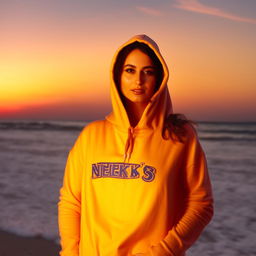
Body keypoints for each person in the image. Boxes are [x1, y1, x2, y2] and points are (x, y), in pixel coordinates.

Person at [58, 34, 214, 256]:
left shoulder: (180, 137)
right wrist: (70, 253)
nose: (138, 81)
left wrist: (163, 251)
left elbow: (201, 205)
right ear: (117, 76)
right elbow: (71, 203)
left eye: (148, 72)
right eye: (130, 71)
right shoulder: (90, 136)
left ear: (159, 78)